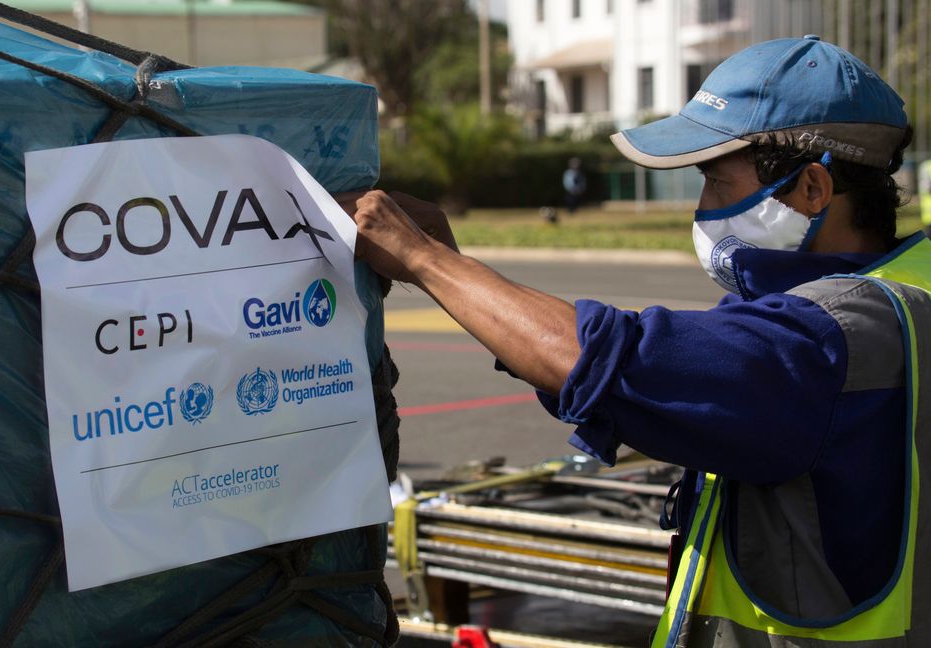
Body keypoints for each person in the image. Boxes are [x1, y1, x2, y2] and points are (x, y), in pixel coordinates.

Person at [342, 35, 930, 645]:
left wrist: (425, 259)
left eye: (717, 183)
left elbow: (602, 361)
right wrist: (457, 270)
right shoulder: (909, 290)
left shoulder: (831, 341)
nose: (701, 210)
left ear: (812, 189)